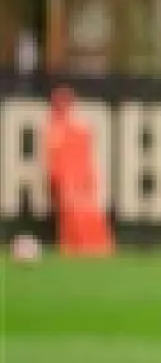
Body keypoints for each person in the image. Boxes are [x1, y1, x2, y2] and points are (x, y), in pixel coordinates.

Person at [43, 87, 113, 257]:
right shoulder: (56, 127)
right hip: (69, 179)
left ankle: (95, 248)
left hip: (79, 178)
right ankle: (73, 248)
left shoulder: (76, 127)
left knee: (85, 215)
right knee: (69, 216)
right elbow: (55, 158)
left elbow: (83, 156)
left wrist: (87, 177)